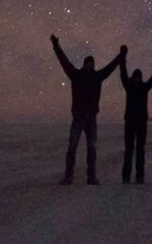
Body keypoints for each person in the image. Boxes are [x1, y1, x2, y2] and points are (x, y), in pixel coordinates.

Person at [50, 35, 126, 185]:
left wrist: (121, 55)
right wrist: (56, 46)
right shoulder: (75, 75)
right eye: (88, 63)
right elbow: (64, 62)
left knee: (92, 148)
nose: (89, 65)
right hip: (78, 117)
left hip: (91, 118)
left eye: (91, 63)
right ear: (84, 64)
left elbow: (110, 67)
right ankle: (69, 176)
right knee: (72, 146)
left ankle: (91, 176)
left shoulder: (97, 77)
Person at [119, 53, 152, 184]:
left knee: (140, 149)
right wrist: (122, 58)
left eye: (138, 77)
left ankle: (140, 176)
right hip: (130, 122)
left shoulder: (144, 87)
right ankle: (126, 176)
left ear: (140, 78)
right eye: (135, 77)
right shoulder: (129, 87)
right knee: (129, 150)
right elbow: (123, 73)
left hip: (141, 123)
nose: (136, 79)